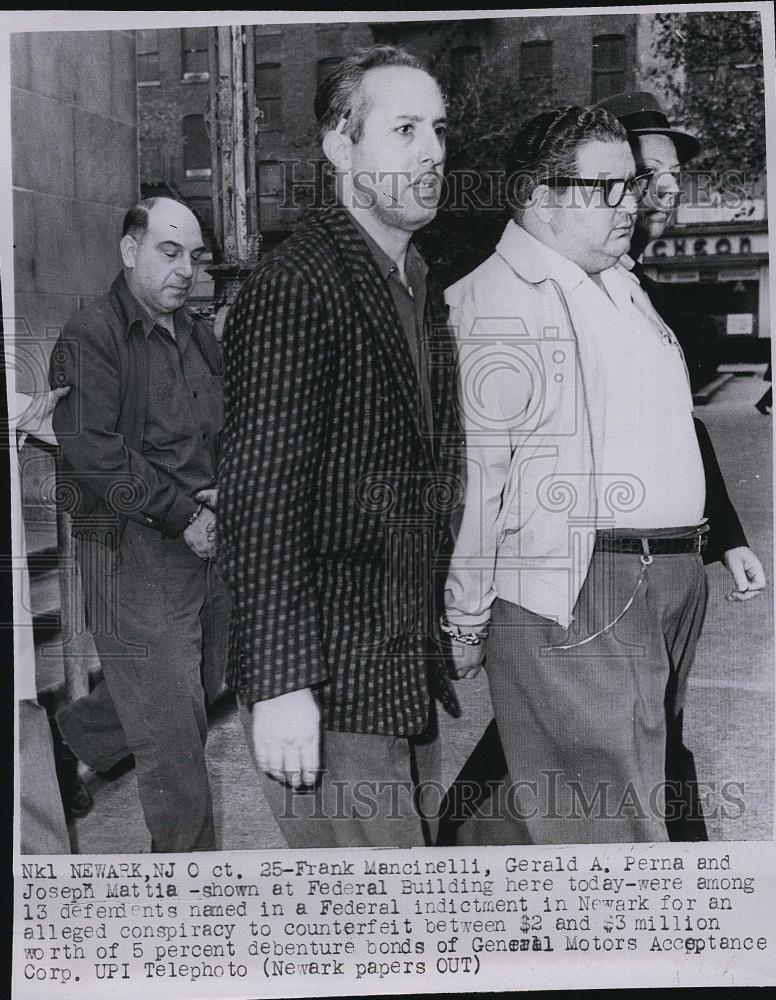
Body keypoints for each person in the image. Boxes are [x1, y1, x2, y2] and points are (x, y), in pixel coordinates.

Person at [442, 105, 760, 845]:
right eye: (606, 188)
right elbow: (479, 481)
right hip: (584, 584)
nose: (631, 204)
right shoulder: (496, 301)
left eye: (632, 185)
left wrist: (716, 540)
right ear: (539, 196)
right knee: (617, 824)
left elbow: (668, 428)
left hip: (665, 576)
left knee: (599, 793)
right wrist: (465, 615)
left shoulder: (617, 282)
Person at [219, 45, 461, 848]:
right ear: (340, 148)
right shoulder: (298, 283)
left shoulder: (415, 281)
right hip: (327, 676)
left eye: (438, 130)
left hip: (397, 666)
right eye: (404, 129)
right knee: (377, 911)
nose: (431, 152)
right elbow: (260, 496)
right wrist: (282, 682)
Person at [48, 197, 230, 852]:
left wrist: (225, 490)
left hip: (206, 541)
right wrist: (185, 514)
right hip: (130, 551)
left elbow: (221, 425)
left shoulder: (197, 334)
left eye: (194, 257)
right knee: (174, 739)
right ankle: (185, 888)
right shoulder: (89, 336)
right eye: (169, 252)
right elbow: (93, 452)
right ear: (130, 251)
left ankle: (66, 740)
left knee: (193, 689)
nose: (185, 270)